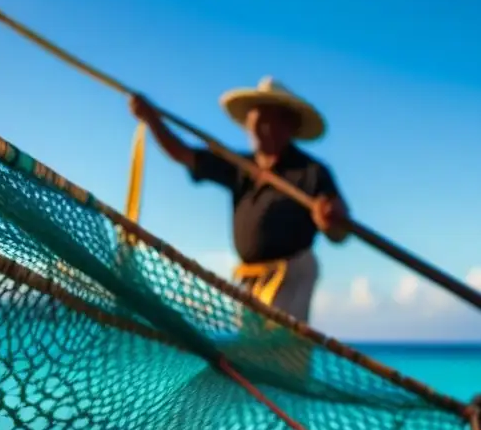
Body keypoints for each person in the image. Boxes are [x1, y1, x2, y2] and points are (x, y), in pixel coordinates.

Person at [130, 76, 349, 324]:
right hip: (250, 281)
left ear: (288, 124)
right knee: (249, 352)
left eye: (265, 118)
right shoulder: (240, 166)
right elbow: (185, 154)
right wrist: (152, 120)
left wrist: (330, 220)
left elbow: (339, 231)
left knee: (280, 353)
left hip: (290, 277)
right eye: (253, 118)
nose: (255, 126)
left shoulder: (311, 172)